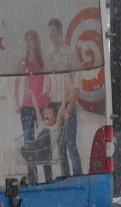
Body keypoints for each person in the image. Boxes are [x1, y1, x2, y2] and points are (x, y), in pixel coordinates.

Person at [44, 17, 83, 177]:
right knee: (60, 147)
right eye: (49, 32)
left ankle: (78, 178)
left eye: (53, 31)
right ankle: (66, 179)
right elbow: (46, 85)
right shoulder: (50, 57)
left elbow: (77, 84)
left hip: (68, 104)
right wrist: (48, 108)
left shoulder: (70, 53)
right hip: (55, 105)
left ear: (60, 31)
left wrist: (70, 107)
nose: (51, 35)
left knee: (71, 145)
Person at [13, 29, 49, 183]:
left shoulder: (43, 62)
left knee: (45, 142)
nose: (29, 43)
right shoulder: (23, 62)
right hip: (27, 106)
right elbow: (16, 84)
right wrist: (17, 104)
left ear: (37, 42)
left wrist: (47, 105)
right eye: (27, 40)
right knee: (29, 143)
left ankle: (48, 177)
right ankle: (33, 178)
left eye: (32, 39)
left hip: (42, 106)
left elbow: (48, 82)